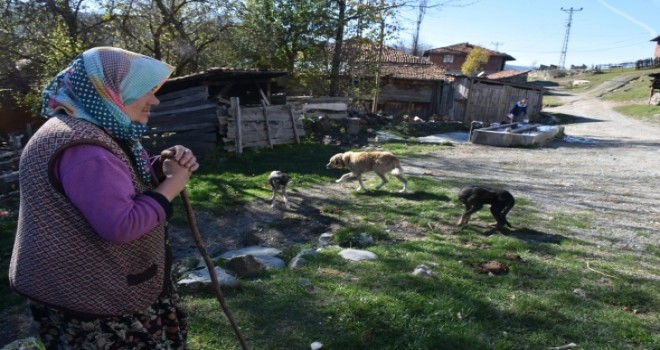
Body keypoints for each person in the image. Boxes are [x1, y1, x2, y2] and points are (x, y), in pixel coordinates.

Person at [9, 47, 199, 349]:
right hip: (98, 301)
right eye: (145, 91)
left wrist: (158, 170)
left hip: (66, 288)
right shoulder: (86, 149)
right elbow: (120, 224)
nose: (155, 100)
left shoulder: (76, 129)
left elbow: (107, 187)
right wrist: (174, 183)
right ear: (111, 90)